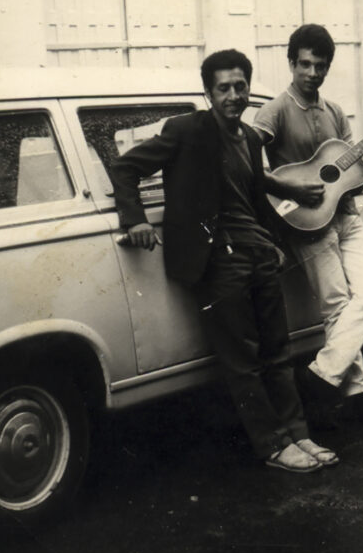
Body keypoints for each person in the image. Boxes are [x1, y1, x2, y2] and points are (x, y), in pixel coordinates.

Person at [110, 49, 337, 473]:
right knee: (243, 360)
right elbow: (125, 168)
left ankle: (299, 434)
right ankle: (274, 445)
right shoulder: (185, 130)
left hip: (258, 255)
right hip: (218, 260)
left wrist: (271, 241)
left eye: (240, 87)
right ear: (208, 93)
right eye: (223, 89)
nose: (233, 96)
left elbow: (254, 198)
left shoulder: (250, 138)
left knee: (278, 352)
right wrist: (135, 219)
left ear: (248, 89)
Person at [253, 24, 363, 428]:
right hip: (306, 223)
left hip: (345, 215)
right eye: (305, 64)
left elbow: (356, 173)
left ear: (328, 68)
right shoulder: (275, 110)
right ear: (291, 63)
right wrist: (286, 185)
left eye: (320, 66)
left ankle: (321, 373)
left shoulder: (335, 112)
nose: (312, 73)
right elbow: (245, 158)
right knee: (337, 305)